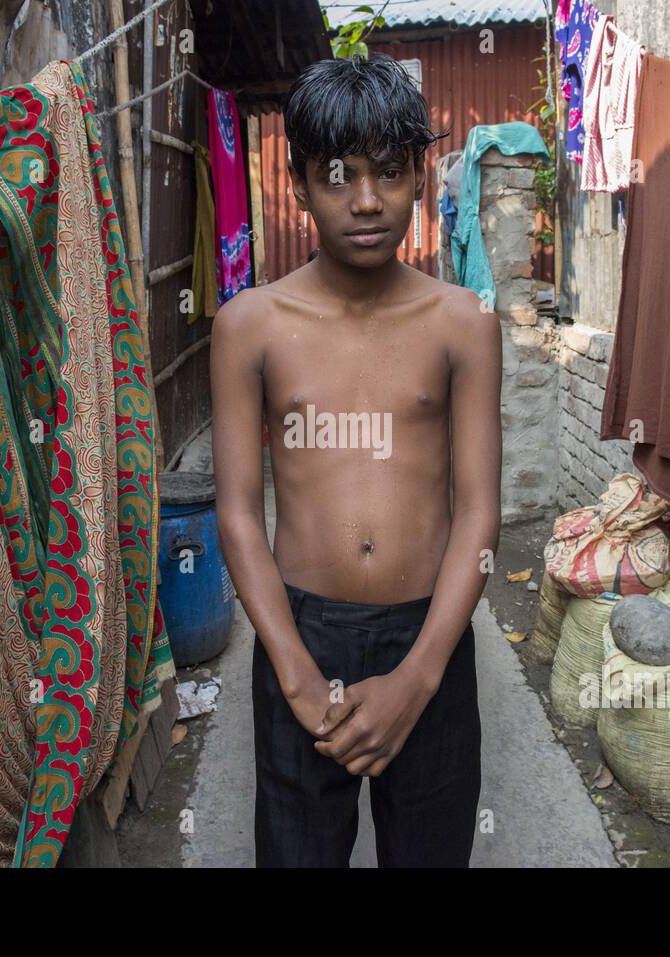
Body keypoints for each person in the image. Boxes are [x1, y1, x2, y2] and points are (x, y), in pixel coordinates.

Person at [210, 54, 501, 868]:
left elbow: (479, 514)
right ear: (300, 184)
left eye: (390, 172)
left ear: (418, 178)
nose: (367, 201)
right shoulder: (250, 325)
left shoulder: (463, 323)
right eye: (338, 175)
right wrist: (297, 675)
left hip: (430, 631)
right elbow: (238, 515)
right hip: (300, 634)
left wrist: (418, 677)